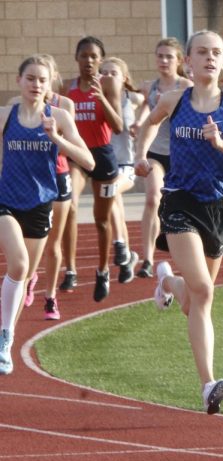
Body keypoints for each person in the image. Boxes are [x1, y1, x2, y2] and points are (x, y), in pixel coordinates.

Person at [134, 30, 223, 413]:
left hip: (217, 209)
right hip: (180, 204)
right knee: (205, 292)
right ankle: (208, 385)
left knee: (192, 300)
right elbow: (150, 123)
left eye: (216, 53)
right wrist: (142, 156)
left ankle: (167, 281)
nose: (209, 58)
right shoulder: (175, 100)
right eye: (202, 52)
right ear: (187, 61)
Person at [0, 55, 95, 373]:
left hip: (40, 206)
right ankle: (4, 338)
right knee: (20, 264)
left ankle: (7, 339)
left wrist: (57, 138)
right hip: (6, 203)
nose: (35, 84)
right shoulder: (6, 115)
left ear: (50, 83)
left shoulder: (61, 117)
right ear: (19, 81)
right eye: (30, 78)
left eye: (42, 79)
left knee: (23, 275)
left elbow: (89, 162)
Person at [64, 36, 124, 302]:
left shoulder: (108, 83)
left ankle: (102, 271)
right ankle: (71, 269)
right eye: (83, 56)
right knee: (70, 207)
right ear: (76, 58)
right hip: (77, 155)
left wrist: (102, 99)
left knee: (101, 220)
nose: (88, 61)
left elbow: (119, 126)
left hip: (102, 155)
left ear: (101, 60)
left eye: (93, 56)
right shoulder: (68, 88)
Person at [132, 38, 192, 279]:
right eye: (160, 56)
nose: (164, 60)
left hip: (180, 154)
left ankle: (185, 254)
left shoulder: (187, 86)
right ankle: (147, 259)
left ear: (178, 60)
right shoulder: (149, 87)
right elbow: (145, 109)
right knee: (152, 198)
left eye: (169, 56)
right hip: (155, 152)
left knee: (182, 206)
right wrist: (137, 122)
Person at [100, 56, 142, 284]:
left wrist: (140, 124)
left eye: (112, 73)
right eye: (103, 72)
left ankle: (119, 246)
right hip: (106, 166)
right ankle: (127, 258)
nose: (106, 76)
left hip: (127, 165)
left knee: (112, 191)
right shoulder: (97, 100)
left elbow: (150, 101)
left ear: (124, 78)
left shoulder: (131, 98)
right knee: (116, 208)